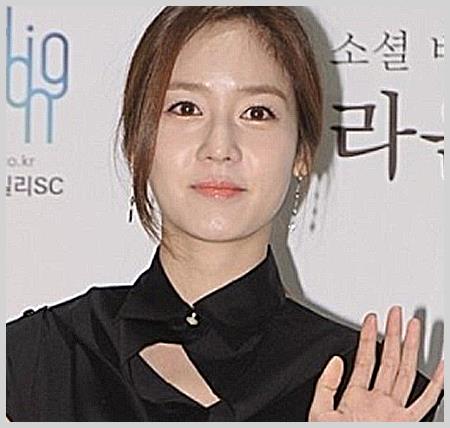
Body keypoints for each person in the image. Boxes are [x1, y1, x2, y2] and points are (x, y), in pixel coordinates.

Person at [6, 6, 444, 422]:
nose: (219, 147)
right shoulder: (36, 357)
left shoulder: (373, 392)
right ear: (138, 140)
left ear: (302, 152)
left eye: (257, 113)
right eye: (186, 108)